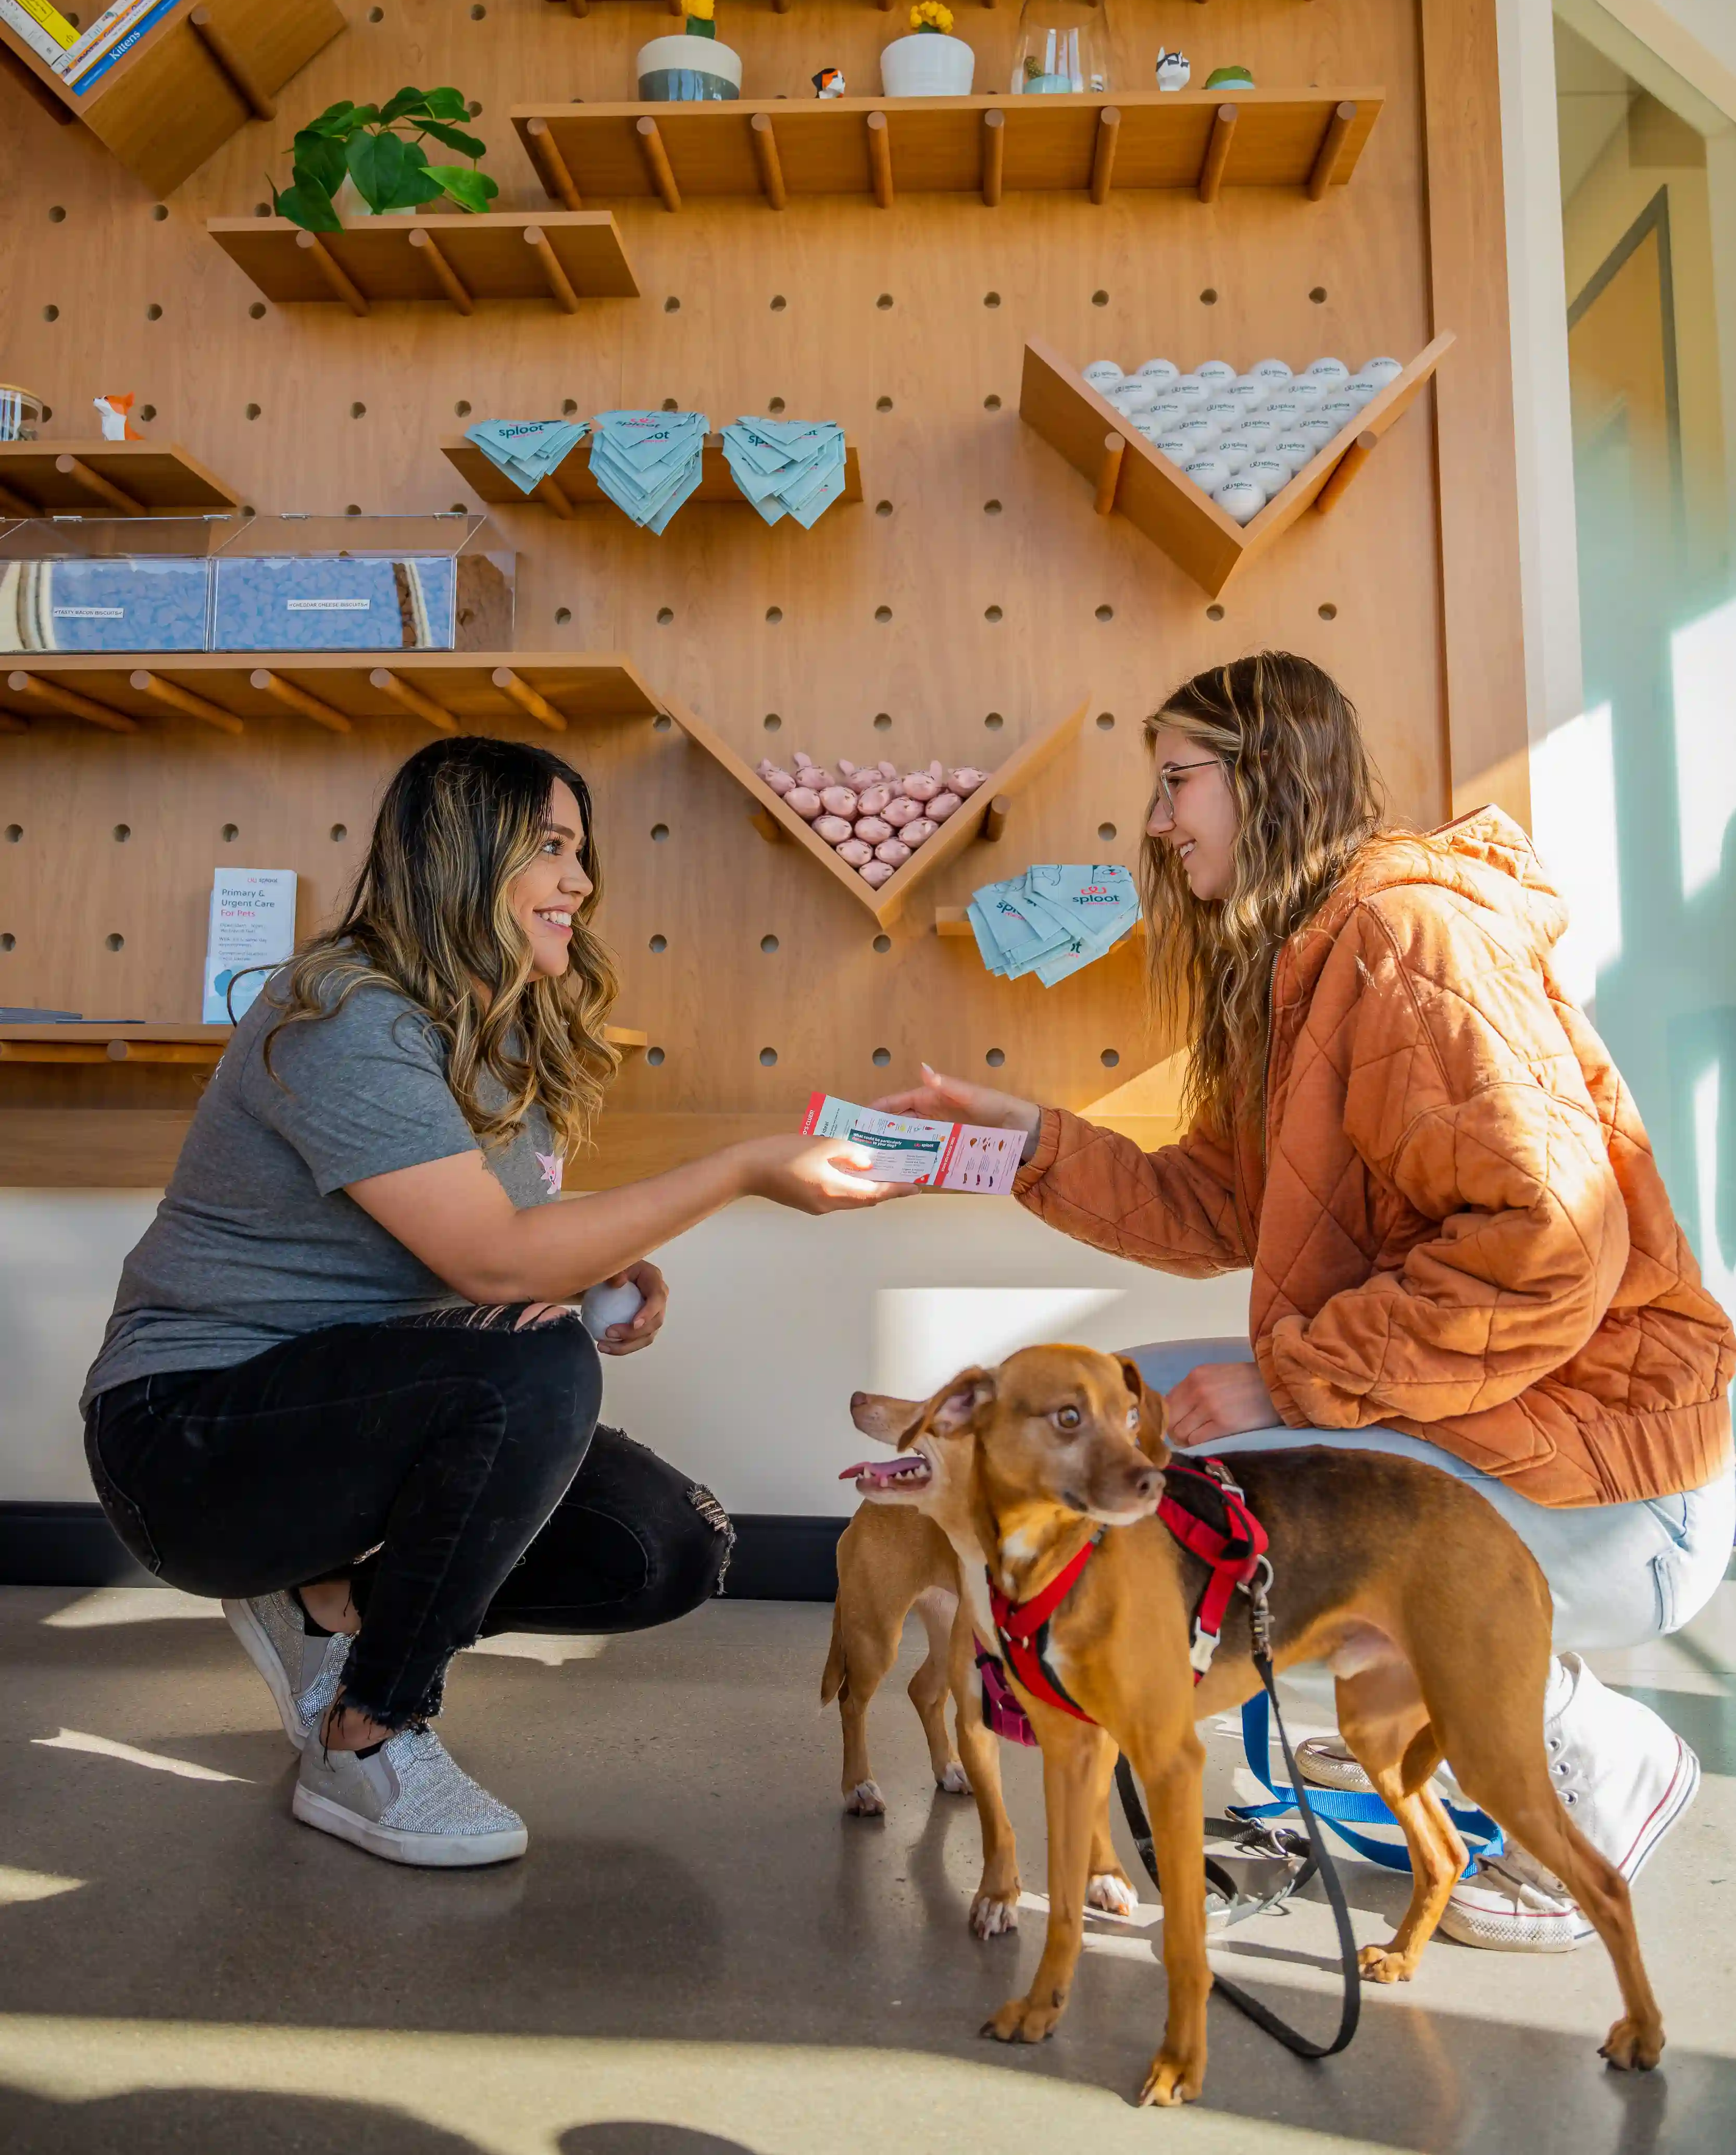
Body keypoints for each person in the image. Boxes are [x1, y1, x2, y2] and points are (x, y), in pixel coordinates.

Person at [881, 651, 1734, 1951]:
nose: (1156, 822)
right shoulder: (1305, 965)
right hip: (1523, 1434)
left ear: (1267, 779)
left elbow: (1546, 1247)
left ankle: (1594, 1752)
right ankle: (1374, 1703)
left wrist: (1288, 1381)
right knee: (1121, 1414)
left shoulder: (1407, 941)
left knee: (1195, 1466)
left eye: (1176, 782)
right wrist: (1028, 1140)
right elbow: (1213, 1207)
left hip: (1622, 1498)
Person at [82, 735, 911, 1870]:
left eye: (582, 851)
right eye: (551, 848)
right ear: (463, 856)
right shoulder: (346, 1015)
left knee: (670, 1546)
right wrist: (741, 1171)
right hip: (186, 1440)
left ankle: (326, 1607)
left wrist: (598, 1266)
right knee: (539, 1366)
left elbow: (489, 1240)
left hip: (347, 1410)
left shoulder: (505, 1027)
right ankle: (368, 1730)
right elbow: (490, 1262)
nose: (582, 881)